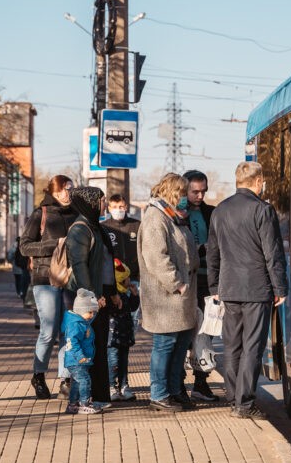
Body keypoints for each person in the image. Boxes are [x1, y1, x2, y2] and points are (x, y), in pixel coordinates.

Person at [207, 161, 288, 420]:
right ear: (257, 181)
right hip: (256, 288)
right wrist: (280, 287)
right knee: (252, 345)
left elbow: (213, 252)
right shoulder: (262, 210)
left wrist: (214, 286)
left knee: (231, 345)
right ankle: (244, 403)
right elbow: (272, 253)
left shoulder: (220, 210)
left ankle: (233, 398)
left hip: (229, 288)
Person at [138, 173, 199, 413]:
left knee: (179, 345)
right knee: (164, 345)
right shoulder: (156, 218)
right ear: (173, 193)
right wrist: (177, 283)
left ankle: (174, 391)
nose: (185, 199)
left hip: (180, 299)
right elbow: (156, 257)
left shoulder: (173, 217)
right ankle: (159, 394)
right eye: (183, 193)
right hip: (166, 297)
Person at [19, 175, 78, 399]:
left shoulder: (76, 214)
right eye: (62, 190)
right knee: (48, 331)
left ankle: (66, 378)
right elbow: (24, 247)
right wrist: (57, 245)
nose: (66, 194)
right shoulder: (40, 213)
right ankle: (39, 375)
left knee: (68, 330)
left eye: (69, 189)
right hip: (45, 279)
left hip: (71, 279)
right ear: (52, 192)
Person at [66, 185, 118, 407]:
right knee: (87, 347)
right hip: (88, 299)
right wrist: (92, 298)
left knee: (97, 346)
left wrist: (113, 292)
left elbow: (107, 264)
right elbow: (80, 266)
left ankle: (99, 395)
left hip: (101, 295)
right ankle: (85, 398)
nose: (104, 204)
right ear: (90, 202)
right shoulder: (80, 229)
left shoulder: (97, 227)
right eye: (102, 200)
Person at [181, 169, 219, 402]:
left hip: (208, 279)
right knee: (183, 331)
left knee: (206, 331)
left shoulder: (212, 213)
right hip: (185, 280)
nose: (200, 195)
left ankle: (201, 382)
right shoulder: (177, 213)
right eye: (195, 191)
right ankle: (177, 383)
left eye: (203, 191)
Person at [101, 193, 141, 325]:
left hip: (134, 279)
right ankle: (113, 346)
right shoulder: (104, 227)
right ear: (109, 208)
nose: (118, 209)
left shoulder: (137, 225)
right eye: (115, 207)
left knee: (133, 317)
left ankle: (128, 345)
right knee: (115, 317)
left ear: (126, 207)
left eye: (121, 206)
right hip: (114, 281)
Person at [62, 288, 103, 415]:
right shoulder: (75, 324)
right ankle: (84, 403)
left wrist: (97, 308)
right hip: (76, 360)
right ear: (81, 311)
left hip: (78, 361)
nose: (91, 315)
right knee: (85, 380)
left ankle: (73, 404)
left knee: (77, 383)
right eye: (90, 312)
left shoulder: (81, 321)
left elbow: (89, 318)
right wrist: (80, 357)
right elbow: (72, 343)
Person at [108, 259, 139, 401]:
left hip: (125, 336)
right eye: (127, 278)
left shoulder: (125, 295)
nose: (130, 280)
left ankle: (124, 385)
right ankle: (111, 386)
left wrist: (134, 295)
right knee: (113, 362)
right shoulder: (113, 298)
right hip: (113, 337)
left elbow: (132, 308)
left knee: (123, 362)